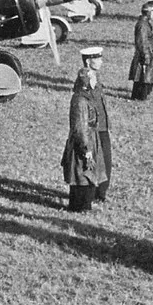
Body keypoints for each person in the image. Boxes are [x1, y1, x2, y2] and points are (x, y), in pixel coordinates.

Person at [61, 47, 109, 212]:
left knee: (86, 174)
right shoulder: (81, 101)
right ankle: (80, 207)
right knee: (82, 174)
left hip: (89, 138)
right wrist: (87, 148)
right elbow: (80, 126)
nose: (95, 83)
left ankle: (83, 205)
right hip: (85, 140)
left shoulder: (85, 98)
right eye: (92, 81)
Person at [129, 0, 153, 100]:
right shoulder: (143, 25)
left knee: (143, 77)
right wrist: (146, 55)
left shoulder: (145, 23)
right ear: (148, 13)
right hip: (144, 54)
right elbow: (142, 42)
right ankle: (139, 97)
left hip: (147, 53)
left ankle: (140, 96)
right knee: (142, 77)